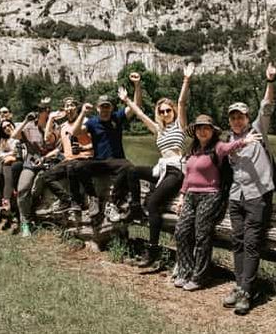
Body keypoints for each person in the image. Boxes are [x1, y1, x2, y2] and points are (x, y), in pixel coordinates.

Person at [118, 63, 194, 267]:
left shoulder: (180, 125)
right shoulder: (158, 130)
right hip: (161, 169)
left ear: (173, 112)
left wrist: (186, 80)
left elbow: (181, 102)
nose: (165, 113)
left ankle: (152, 251)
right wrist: (127, 99)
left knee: (153, 203)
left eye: (168, 110)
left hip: (175, 171)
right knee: (132, 171)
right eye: (162, 111)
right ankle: (135, 207)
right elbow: (140, 114)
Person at [174, 115, 262, 291]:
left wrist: (245, 141)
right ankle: (185, 271)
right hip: (190, 196)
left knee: (201, 234)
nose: (202, 131)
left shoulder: (218, 147)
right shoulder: (193, 150)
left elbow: (230, 147)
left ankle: (200, 277)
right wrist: (182, 196)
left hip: (210, 195)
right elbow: (188, 176)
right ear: (195, 131)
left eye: (206, 128)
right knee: (181, 231)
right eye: (199, 128)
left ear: (212, 131)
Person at [222, 62, 276, 315]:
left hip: (257, 196)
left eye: (240, 117)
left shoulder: (258, 129)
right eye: (233, 117)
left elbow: (266, 106)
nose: (237, 120)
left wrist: (270, 81)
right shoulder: (228, 140)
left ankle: (247, 290)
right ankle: (239, 285)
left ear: (247, 118)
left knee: (252, 243)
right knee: (237, 241)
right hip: (236, 196)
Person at [70, 72, 143, 221]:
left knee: (129, 167)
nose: (104, 110)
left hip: (117, 161)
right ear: (98, 108)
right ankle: (93, 197)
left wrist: (137, 85)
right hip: (99, 161)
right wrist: (82, 113)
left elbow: (136, 107)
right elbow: (75, 132)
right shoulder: (92, 122)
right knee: (77, 166)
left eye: (107, 107)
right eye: (102, 107)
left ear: (111, 108)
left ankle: (113, 201)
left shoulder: (117, 117)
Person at [40, 97, 100, 219]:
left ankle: (85, 200)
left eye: (72, 105)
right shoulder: (63, 126)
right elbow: (49, 140)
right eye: (66, 106)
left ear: (77, 108)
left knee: (72, 167)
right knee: (46, 176)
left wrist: (83, 148)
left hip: (85, 158)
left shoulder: (86, 122)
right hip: (68, 160)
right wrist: (50, 118)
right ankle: (66, 200)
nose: (69, 108)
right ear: (64, 110)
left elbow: (98, 143)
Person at [14, 98, 62, 237]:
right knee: (23, 188)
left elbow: (58, 148)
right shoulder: (29, 126)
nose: (41, 112)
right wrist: (25, 121)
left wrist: (45, 158)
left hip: (48, 162)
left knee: (37, 187)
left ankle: (34, 213)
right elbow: (14, 136)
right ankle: (25, 223)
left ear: (48, 111)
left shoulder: (55, 126)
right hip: (30, 162)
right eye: (39, 109)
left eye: (44, 109)